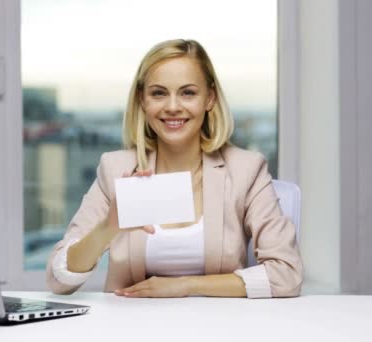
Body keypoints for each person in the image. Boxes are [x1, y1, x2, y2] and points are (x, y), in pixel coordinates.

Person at [46, 39, 303, 298]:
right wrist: (109, 226)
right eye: (158, 93)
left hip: (220, 328)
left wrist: (185, 285)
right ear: (142, 100)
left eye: (188, 93)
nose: (172, 106)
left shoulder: (246, 170)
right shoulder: (116, 168)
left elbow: (286, 274)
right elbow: (59, 279)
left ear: (209, 98)